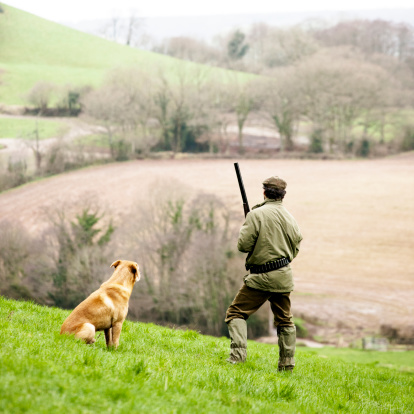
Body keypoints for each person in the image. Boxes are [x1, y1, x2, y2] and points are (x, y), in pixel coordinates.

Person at [225, 176, 303, 371]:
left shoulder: (256, 215)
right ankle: (287, 365)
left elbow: (243, 246)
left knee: (235, 313)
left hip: (260, 277)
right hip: (284, 275)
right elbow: (296, 245)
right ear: (283, 195)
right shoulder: (290, 217)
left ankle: (237, 357)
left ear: (264, 193)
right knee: (285, 320)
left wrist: (249, 226)